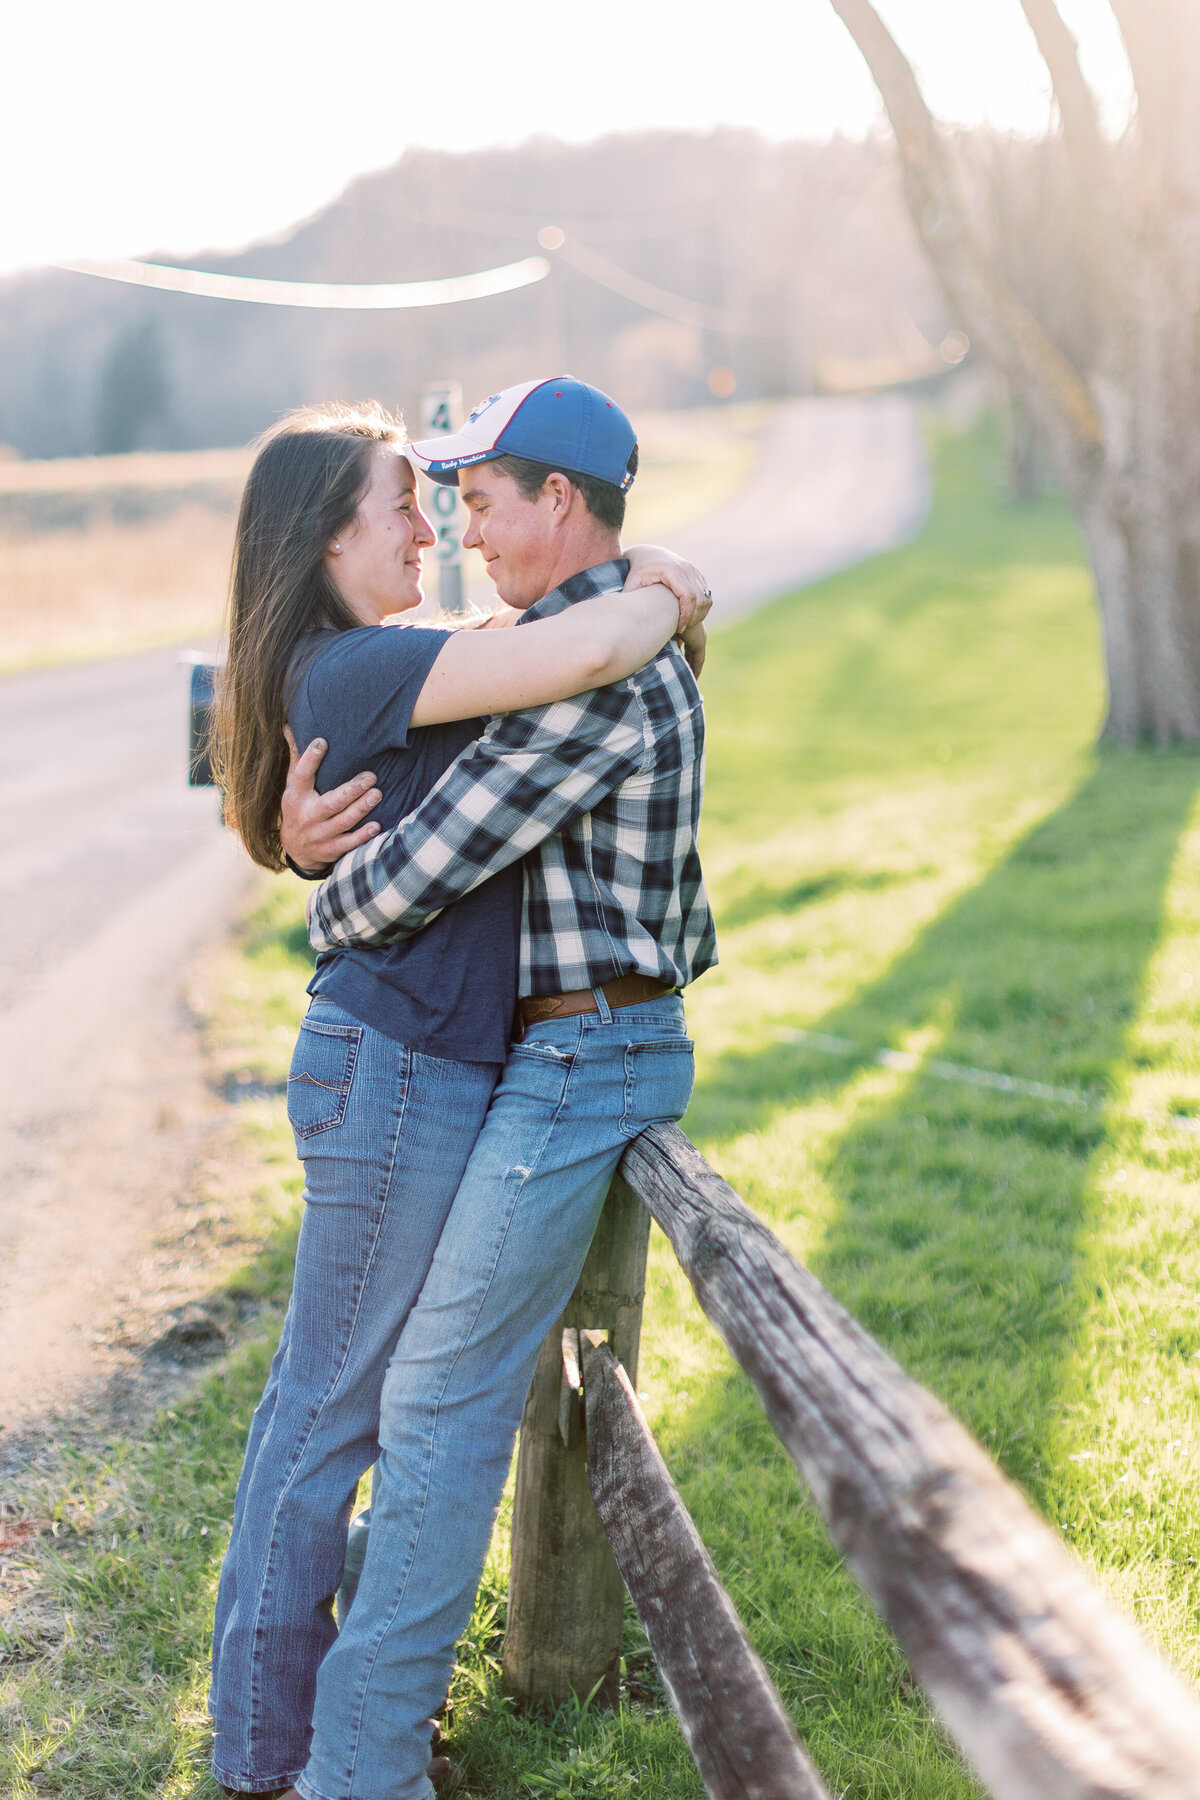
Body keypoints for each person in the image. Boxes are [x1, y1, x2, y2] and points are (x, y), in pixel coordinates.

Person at [208, 393, 710, 1800]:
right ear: (322, 541)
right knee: (344, 1413)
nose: (447, 530)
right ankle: (279, 1756)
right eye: (415, 506)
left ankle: (313, 1750)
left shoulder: (492, 662)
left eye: (475, 500)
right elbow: (413, 843)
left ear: (560, 499)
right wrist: (663, 586)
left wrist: (665, 579)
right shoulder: (387, 665)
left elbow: (525, 693)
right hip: (407, 1062)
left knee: (358, 1408)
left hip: (473, 1060)